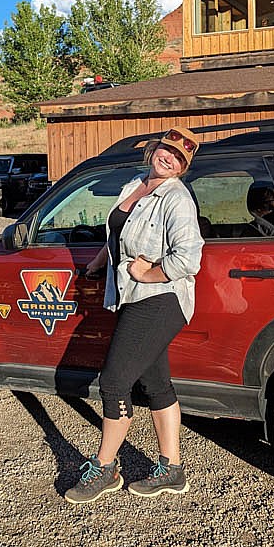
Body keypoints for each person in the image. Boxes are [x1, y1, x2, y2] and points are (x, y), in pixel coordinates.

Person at [64, 127, 205, 504]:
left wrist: (149, 272)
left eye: (178, 158)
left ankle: (106, 467)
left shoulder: (176, 198)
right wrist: (98, 263)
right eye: (166, 149)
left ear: (183, 167)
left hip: (160, 298)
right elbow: (118, 234)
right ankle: (172, 470)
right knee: (156, 384)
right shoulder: (134, 184)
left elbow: (189, 258)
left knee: (114, 382)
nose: (169, 158)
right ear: (154, 149)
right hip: (133, 296)